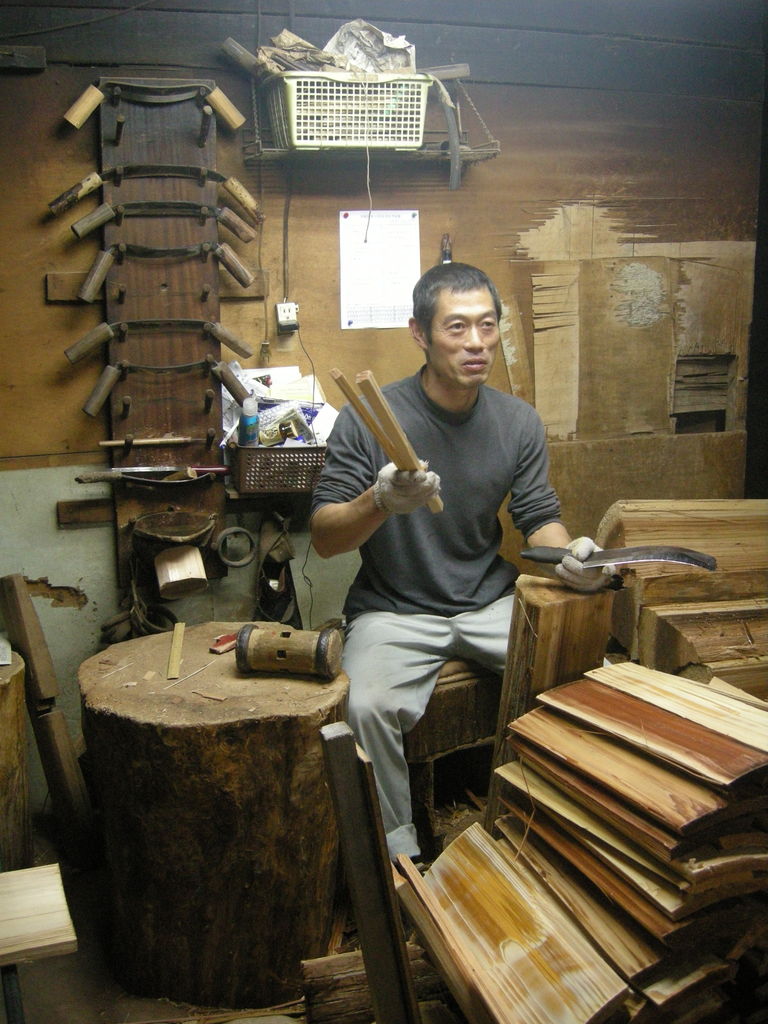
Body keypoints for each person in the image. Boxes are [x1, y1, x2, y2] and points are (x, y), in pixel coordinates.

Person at [310, 262, 615, 861]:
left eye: (487, 325)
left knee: (587, 672)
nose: (476, 342)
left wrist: (571, 557)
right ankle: (399, 861)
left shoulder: (517, 421)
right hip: (394, 610)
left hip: (489, 601)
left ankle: (559, 827)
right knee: (363, 708)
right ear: (419, 334)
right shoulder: (369, 417)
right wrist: (379, 501)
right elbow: (324, 538)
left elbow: (537, 516)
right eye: (456, 327)